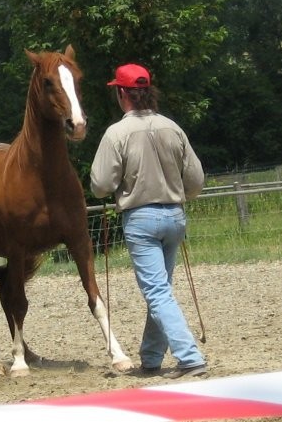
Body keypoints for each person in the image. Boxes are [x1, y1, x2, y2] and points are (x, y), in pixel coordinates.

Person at [90, 63, 207, 379]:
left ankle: (190, 356)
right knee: (162, 289)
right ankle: (152, 357)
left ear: (122, 93)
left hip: (141, 219)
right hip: (175, 216)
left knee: (156, 292)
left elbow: (100, 185)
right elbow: (195, 180)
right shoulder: (173, 127)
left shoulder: (117, 133)